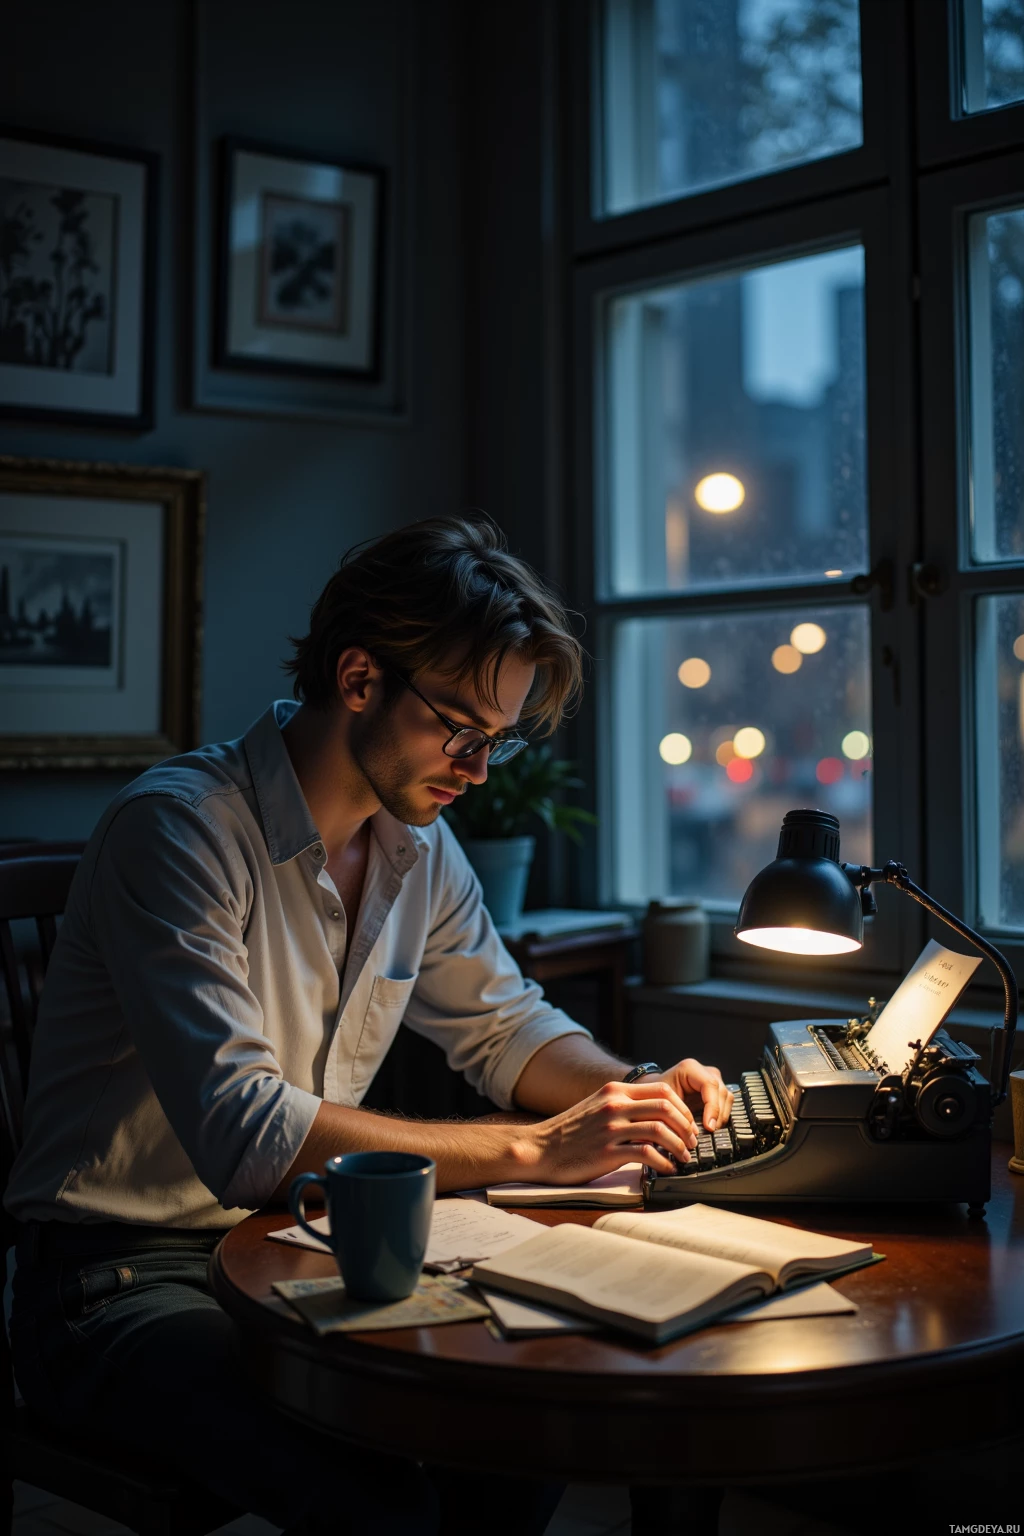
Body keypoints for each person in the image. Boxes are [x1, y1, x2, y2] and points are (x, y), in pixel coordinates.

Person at [6, 515, 732, 1535]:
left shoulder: (414, 847)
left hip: (293, 1244)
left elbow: (505, 1026)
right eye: (463, 731)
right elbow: (247, 1134)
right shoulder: (178, 831)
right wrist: (535, 1146)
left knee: (529, 1415)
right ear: (358, 681)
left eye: (498, 741)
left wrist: (636, 1090)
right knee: (377, 1492)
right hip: (114, 1279)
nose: (479, 769)